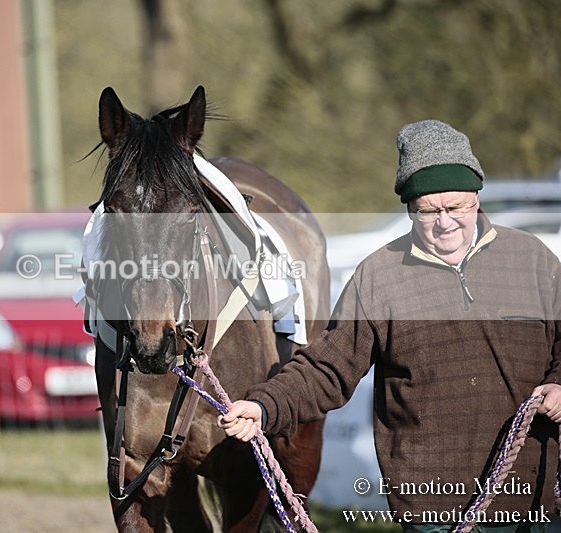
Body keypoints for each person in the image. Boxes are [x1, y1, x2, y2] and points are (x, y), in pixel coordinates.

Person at [218, 119, 561, 532]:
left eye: (455, 206)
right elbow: (327, 367)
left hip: (530, 500)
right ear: (409, 208)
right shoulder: (379, 277)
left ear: (476, 197)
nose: (445, 222)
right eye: (427, 211)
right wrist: (263, 406)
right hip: (432, 508)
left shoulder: (533, 261)